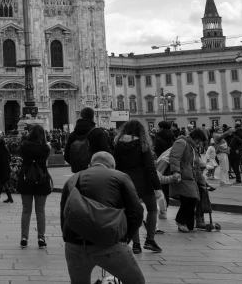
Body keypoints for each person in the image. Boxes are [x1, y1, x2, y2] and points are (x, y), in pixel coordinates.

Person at [60, 152, 145, 284]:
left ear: (91, 164)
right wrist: (125, 237)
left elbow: (64, 214)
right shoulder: (120, 177)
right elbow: (136, 211)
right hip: (109, 244)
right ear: (112, 166)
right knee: (137, 281)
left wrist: (69, 240)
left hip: (75, 245)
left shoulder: (73, 180)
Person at [113, 120, 163, 253]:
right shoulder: (142, 143)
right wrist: (157, 187)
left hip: (126, 182)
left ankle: (136, 244)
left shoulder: (118, 144)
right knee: (152, 209)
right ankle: (150, 240)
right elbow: (150, 167)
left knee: (132, 212)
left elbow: (116, 166)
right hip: (143, 183)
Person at [17, 124, 52, 248]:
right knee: (40, 211)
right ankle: (41, 238)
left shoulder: (24, 147)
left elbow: (20, 151)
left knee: (26, 210)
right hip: (41, 181)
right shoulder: (46, 149)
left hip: (26, 180)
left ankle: (24, 237)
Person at [168, 128, 208, 232]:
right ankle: (180, 220)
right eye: (199, 140)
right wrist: (176, 171)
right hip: (183, 175)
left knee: (191, 199)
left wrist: (203, 182)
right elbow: (174, 158)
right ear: (195, 137)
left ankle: (189, 224)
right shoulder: (182, 142)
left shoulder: (192, 147)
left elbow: (196, 166)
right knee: (188, 198)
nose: (199, 143)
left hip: (190, 176)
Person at [63, 106, 112, 173]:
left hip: (80, 173)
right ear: (93, 117)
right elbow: (106, 154)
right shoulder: (98, 133)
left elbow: (66, 156)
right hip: (96, 172)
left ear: (81, 116)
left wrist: (78, 166)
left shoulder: (73, 135)